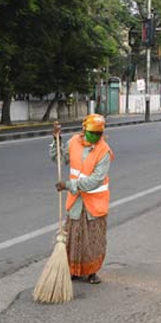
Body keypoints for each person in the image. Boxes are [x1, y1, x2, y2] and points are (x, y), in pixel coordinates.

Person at [50, 114, 114, 284]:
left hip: (95, 204)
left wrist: (68, 185)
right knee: (73, 237)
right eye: (93, 133)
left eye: (99, 134)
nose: (96, 137)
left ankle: (92, 272)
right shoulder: (73, 142)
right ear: (84, 130)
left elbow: (95, 180)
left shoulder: (104, 151)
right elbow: (59, 158)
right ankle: (74, 270)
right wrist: (56, 139)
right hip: (76, 202)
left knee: (94, 240)